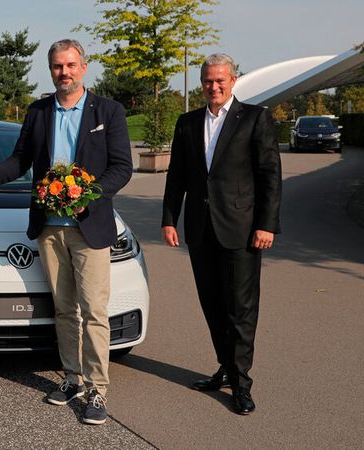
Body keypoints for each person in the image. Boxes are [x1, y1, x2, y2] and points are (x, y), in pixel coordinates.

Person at [0, 39, 132, 425]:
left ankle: (97, 389)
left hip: (90, 226)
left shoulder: (107, 111)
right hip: (49, 228)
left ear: (84, 67)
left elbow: (121, 167)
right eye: (58, 66)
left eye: (71, 65)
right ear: (51, 70)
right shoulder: (38, 111)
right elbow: (21, 159)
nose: (65, 72)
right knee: (64, 309)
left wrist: (87, 196)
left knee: (93, 310)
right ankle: (72, 378)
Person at [161, 53, 282, 415]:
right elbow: (177, 175)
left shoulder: (255, 118)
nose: (213, 87)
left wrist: (266, 224)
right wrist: (169, 218)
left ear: (233, 80)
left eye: (220, 80)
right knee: (212, 305)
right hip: (201, 230)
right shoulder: (187, 122)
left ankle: (241, 384)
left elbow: (270, 176)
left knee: (240, 309)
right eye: (208, 81)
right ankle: (226, 367)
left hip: (242, 231)